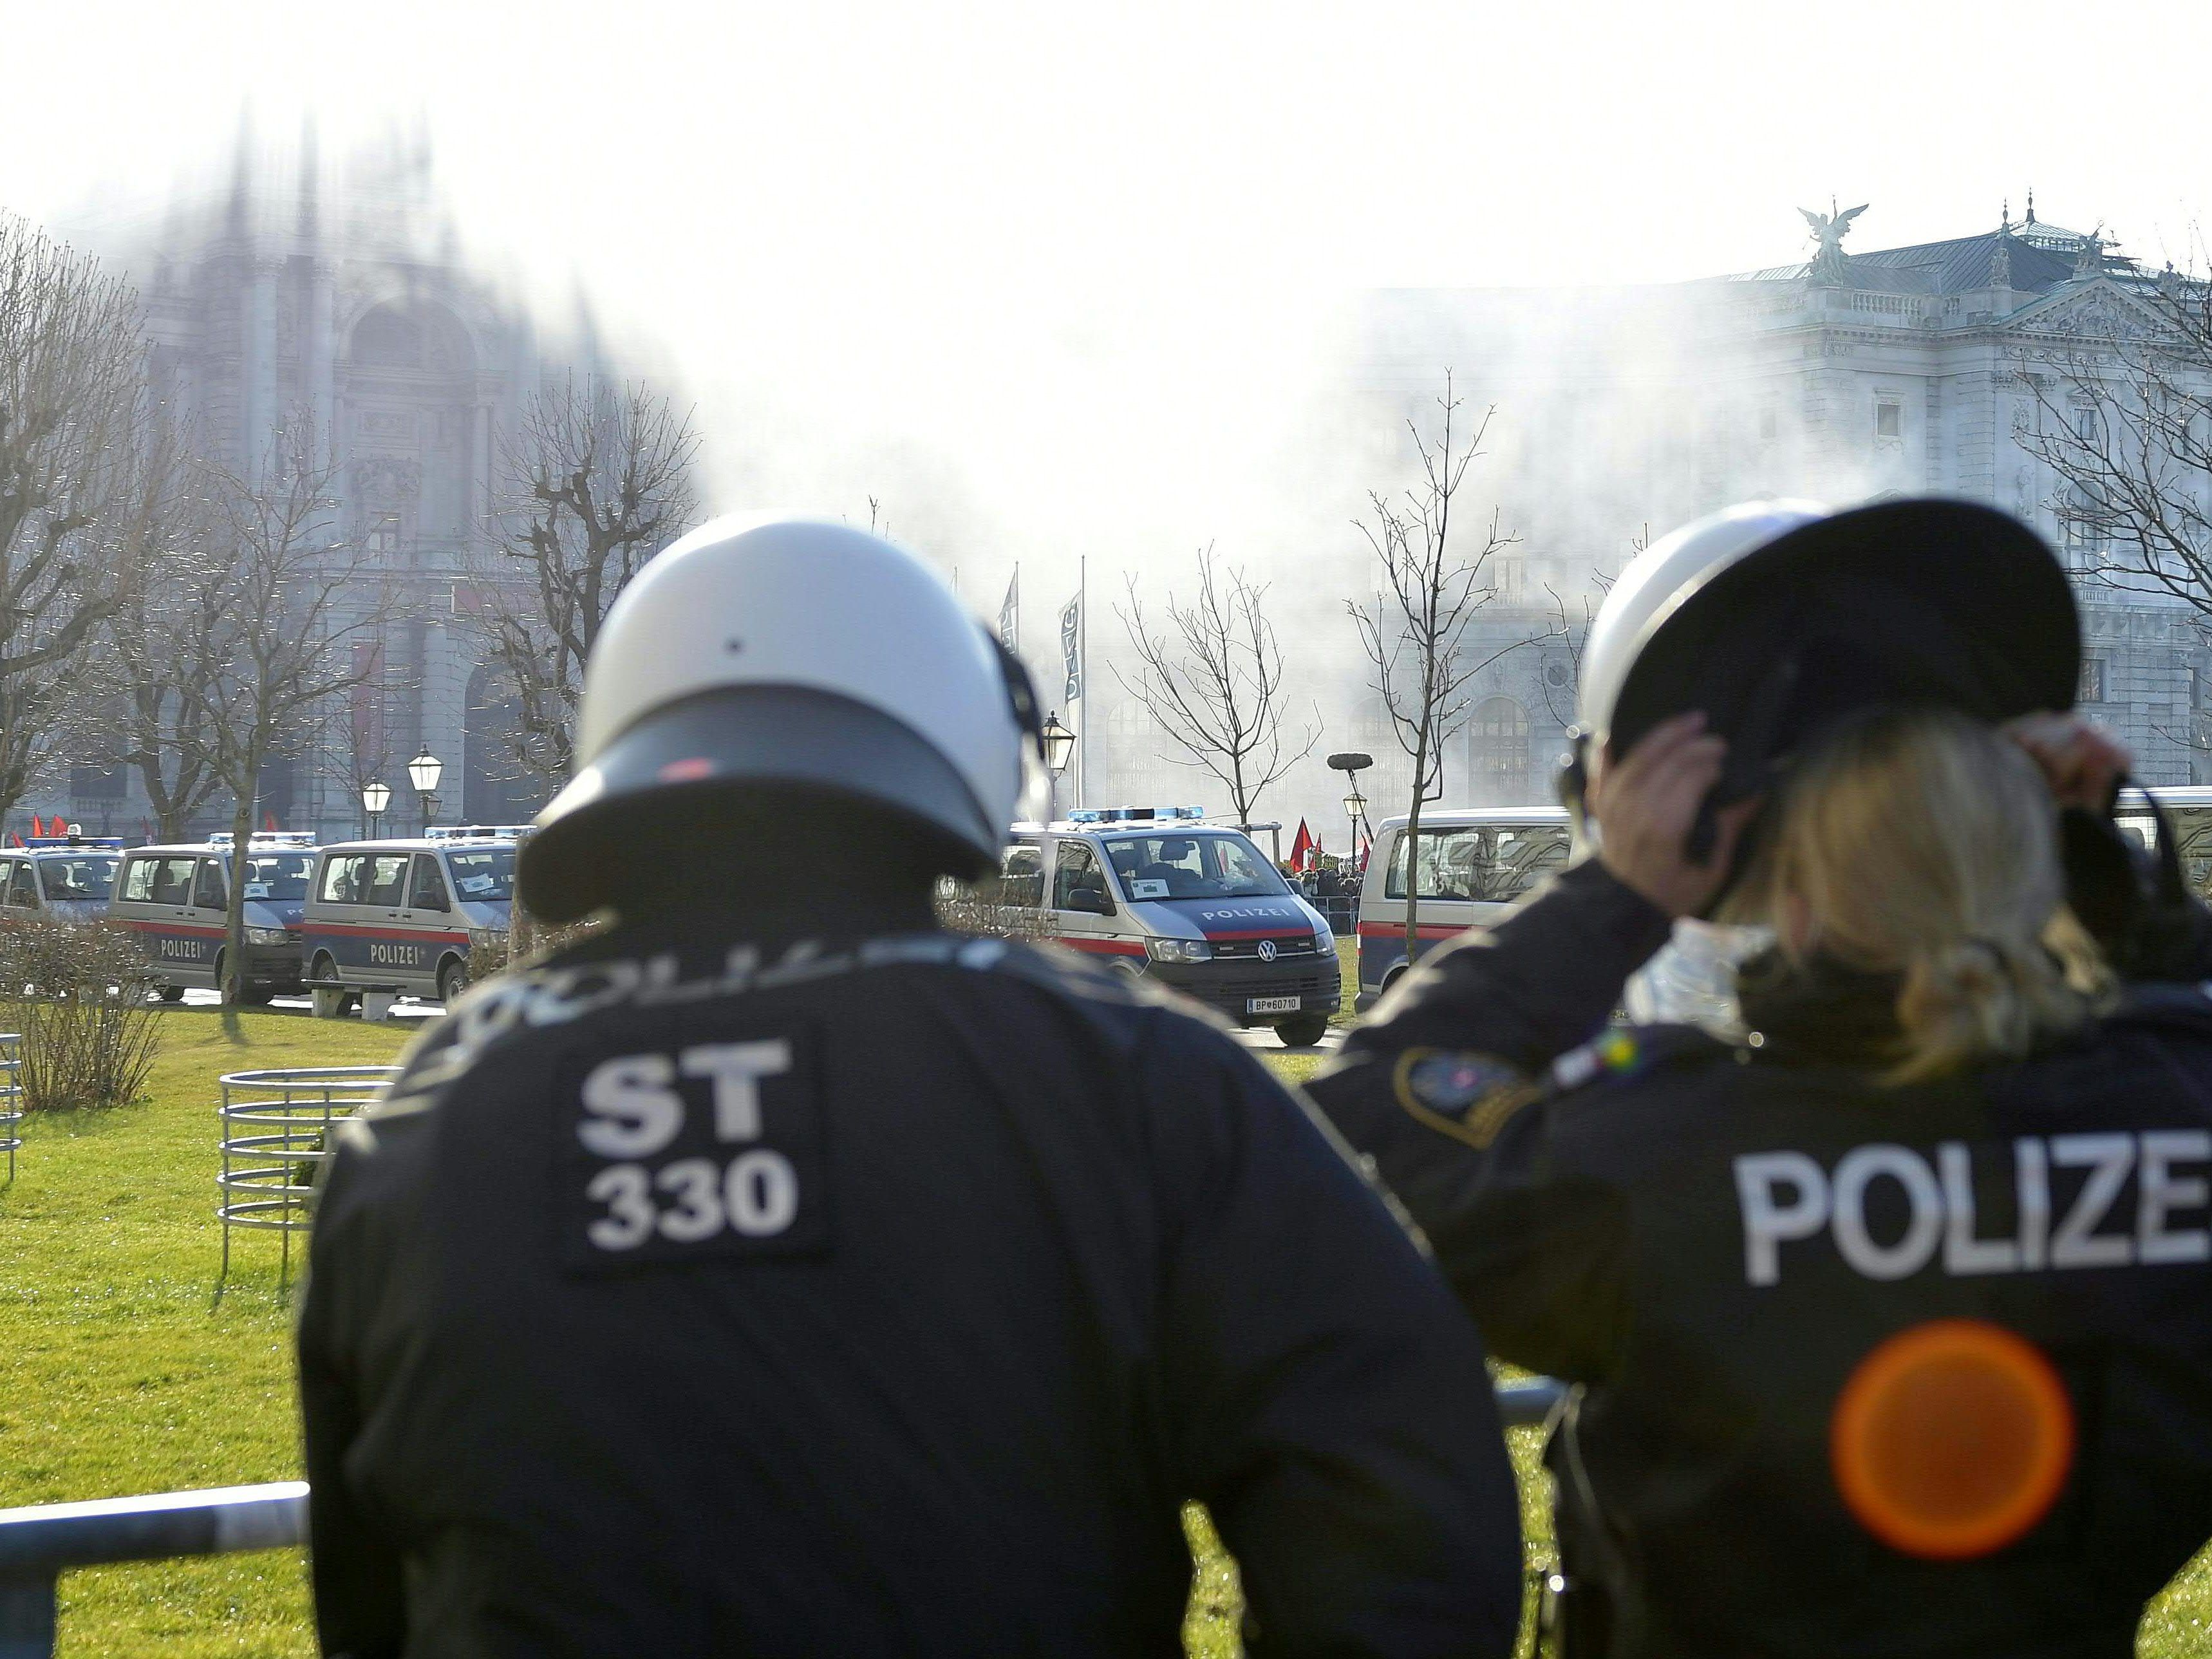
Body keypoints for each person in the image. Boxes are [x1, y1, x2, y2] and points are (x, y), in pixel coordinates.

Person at [297, 516, 1525, 1658]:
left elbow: (366, 1606)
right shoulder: (1130, 1079)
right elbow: (1406, 1501)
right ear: (956, 753)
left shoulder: (421, 1135)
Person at [1308, 498, 2212, 1658]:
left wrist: (1614, 896)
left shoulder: (1668, 1160)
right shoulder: (2173, 1114)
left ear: (1775, 885)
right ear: (2028, 836)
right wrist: (2113, 899)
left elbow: (1374, 1117)